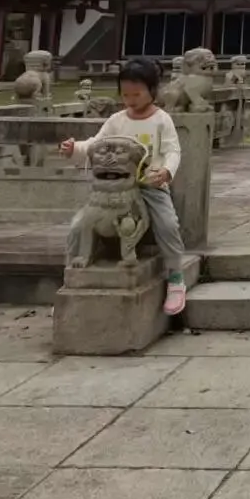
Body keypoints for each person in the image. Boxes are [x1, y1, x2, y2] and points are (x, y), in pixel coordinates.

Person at [60, 56, 187, 315]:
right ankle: (70, 276)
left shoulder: (162, 120)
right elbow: (95, 143)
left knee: (168, 224)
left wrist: (165, 171)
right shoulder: (116, 120)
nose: (130, 100)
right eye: (125, 94)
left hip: (149, 185)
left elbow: (173, 151)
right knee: (77, 226)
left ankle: (176, 277)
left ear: (152, 91)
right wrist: (75, 149)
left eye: (136, 94)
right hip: (110, 187)